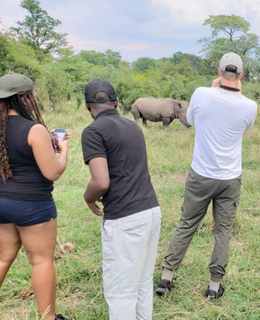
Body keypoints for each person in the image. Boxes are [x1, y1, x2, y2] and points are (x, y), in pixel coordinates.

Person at [156, 52, 257, 299]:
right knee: (223, 231)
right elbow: (245, 126)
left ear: (219, 71)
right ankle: (214, 285)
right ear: (241, 75)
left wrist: (213, 88)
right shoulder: (249, 105)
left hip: (201, 174)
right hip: (229, 178)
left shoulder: (201, 94)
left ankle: (166, 277)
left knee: (186, 223)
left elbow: (190, 120)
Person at [81, 79, 161, 319]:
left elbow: (101, 182)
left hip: (125, 219)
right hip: (151, 212)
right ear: (116, 102)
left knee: (121, 291)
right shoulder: (133, 126)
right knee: (143, 282)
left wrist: (88, 198)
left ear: (88, 106)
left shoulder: (93, 132)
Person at [0, 73, 69, 320]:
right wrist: (63, 150)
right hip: (32, 205)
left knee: (3, 257)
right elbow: (52, 172)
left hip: (3, 202)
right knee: (41, 261)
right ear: (24, 97)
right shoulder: (34, 129)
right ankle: (48, 317)